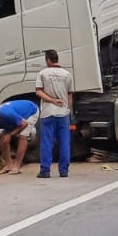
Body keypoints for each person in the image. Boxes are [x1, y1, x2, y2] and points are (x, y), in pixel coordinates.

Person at [35, 48, 75, 178]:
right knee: (64, 142)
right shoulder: (67, 74)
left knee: (47, 142)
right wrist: (69, 110)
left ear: (48, 59)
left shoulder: (42, 73)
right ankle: (64, 171)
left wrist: (52, 100)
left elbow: (39, 92)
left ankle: (45, 171)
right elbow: (70, 95)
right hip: (63, 113)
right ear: (57, 58)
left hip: (48, 113)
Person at [0, 98, 38, 175]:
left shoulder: (7, 114)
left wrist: (11, 134)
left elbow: (24, 124)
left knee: (23, 136)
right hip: (15, 119)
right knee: (1, 136)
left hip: (29, 112)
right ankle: (9, 165)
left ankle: (16, 166)